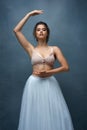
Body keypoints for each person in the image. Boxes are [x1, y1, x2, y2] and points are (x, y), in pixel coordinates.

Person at [13, 10, 74, 130]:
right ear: (35, 34)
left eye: (44, 29)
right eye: (38, 29)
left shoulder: (54, 49)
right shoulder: (31, 49)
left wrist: (49, 73)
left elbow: (66, 67)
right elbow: (16, 31)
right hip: (34, 85)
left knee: (53, 115)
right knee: (35, 115)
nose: (41, 31)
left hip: (50, 84)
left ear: (47, 33)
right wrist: (29, 15)